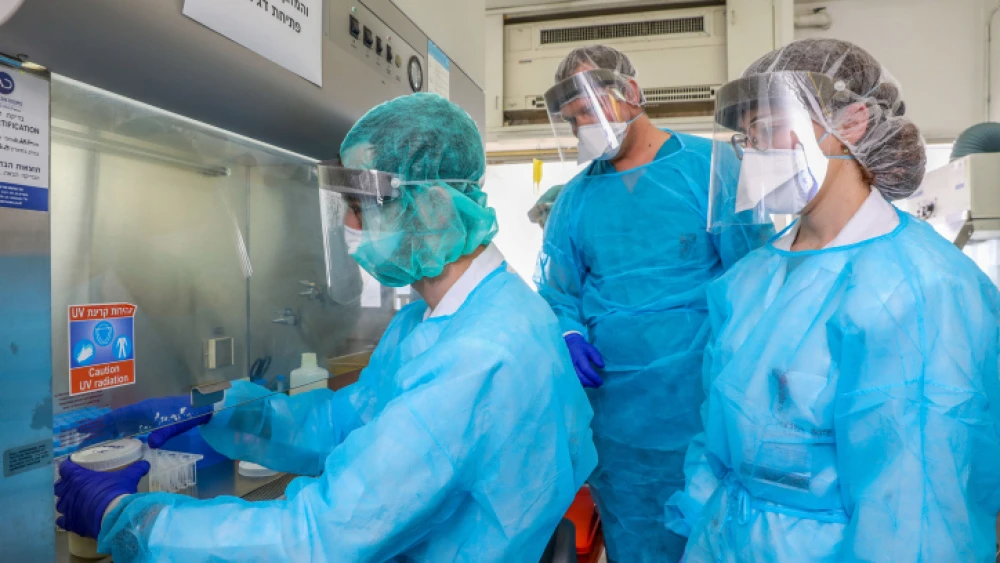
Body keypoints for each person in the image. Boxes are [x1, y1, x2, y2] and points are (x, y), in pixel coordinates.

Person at [54, 93, 598, 562]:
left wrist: (129, 519)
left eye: (362, 203)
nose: (349, 224)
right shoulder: (443, 318)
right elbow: (345, 423)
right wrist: (221, 413)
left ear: (433, 208)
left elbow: (317, 538)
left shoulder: (478, 356)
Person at [665, 38, 1000, 562]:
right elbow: (716, 441)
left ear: (852, 122)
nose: (756, 152)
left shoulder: (919, 287)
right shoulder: (751, 277)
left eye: (769, 127)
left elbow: (914, 517)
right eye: (748, 137)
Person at [536, 45, 774, 562]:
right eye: (573, 120)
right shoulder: (575, 199)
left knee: (711, 537)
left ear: (632, 93)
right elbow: (558, 292)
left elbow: (756, 280)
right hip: (616, 420)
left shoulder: (712, 169)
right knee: (635, 539)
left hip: (703, 404)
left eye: (590, 110)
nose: (584, 127)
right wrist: (568, 332)